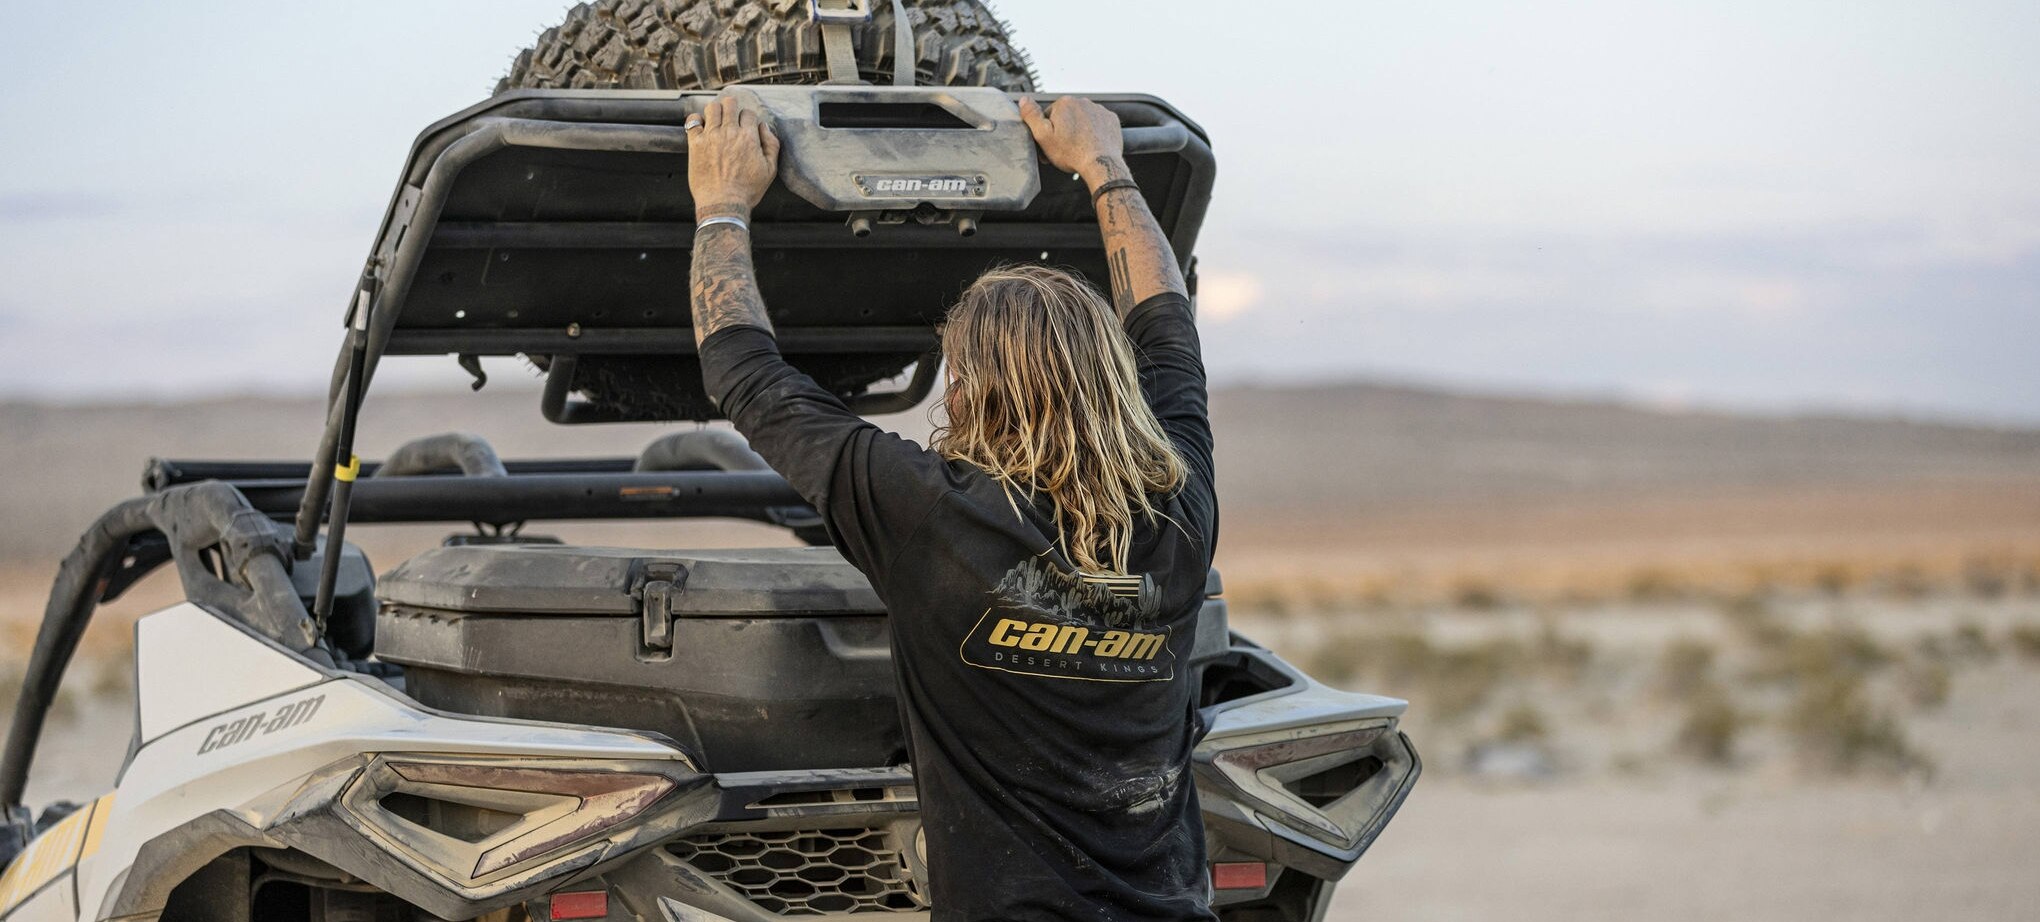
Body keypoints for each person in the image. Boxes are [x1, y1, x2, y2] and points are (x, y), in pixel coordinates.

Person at [685, 92, 1218, 922]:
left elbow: (743, 371)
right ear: (1115, 378)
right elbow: (1167, 325)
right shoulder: (1180, 506)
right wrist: (1105, 166)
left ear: (971, 393)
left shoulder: (933, 517)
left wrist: (723, 200)